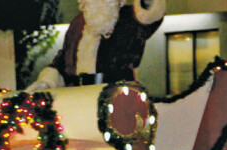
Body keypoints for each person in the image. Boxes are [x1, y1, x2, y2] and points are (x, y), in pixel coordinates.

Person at [26, 0, 165, 90]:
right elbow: (63, 63)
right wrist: (47, 81)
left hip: (119, 97)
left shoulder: (130, 17)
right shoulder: (77, 24)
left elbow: (149, 14)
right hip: (81, 98)